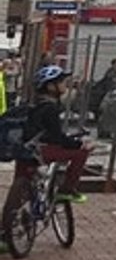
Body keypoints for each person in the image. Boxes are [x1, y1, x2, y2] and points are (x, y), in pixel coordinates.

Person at [6, 66, 91, 217]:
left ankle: (6, 231)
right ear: (51, 87)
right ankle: (67, 189)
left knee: (19, 189)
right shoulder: (50, 108)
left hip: (23, 151)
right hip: (42, 151)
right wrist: (78, 144)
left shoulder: (32, 105)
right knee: (81, 153)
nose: (65, 85)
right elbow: (56, 137)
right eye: (62, 82)